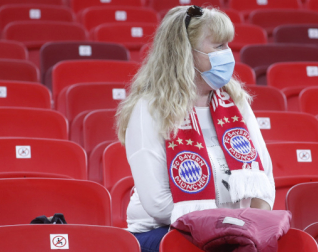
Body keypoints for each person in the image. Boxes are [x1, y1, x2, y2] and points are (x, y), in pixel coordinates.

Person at [115, 5, 275, 252]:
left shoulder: (235, 101)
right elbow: (157, 203)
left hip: (234, 232)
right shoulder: (149, 108)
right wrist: (219, 228)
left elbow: (264, 180)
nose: (229, 54)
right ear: (185, 52)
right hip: (165, 232)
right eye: (219, 46)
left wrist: (245, 228)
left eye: (228, 45)